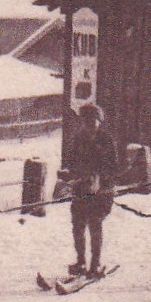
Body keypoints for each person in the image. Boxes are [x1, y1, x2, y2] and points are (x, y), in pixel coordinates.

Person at [60, 103, 118, 278]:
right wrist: (68, 174)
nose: (89, 124)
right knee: (78, 225)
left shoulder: (106, 140)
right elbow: (71, 163)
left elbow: (113, 167)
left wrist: (100, 179)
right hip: (81, 190)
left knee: (94, 224)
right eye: (86, 121)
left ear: (99, 121)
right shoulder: (78, 140)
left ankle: (95, 263)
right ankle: (81, 262)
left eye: (93, 120)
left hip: (102, 192)